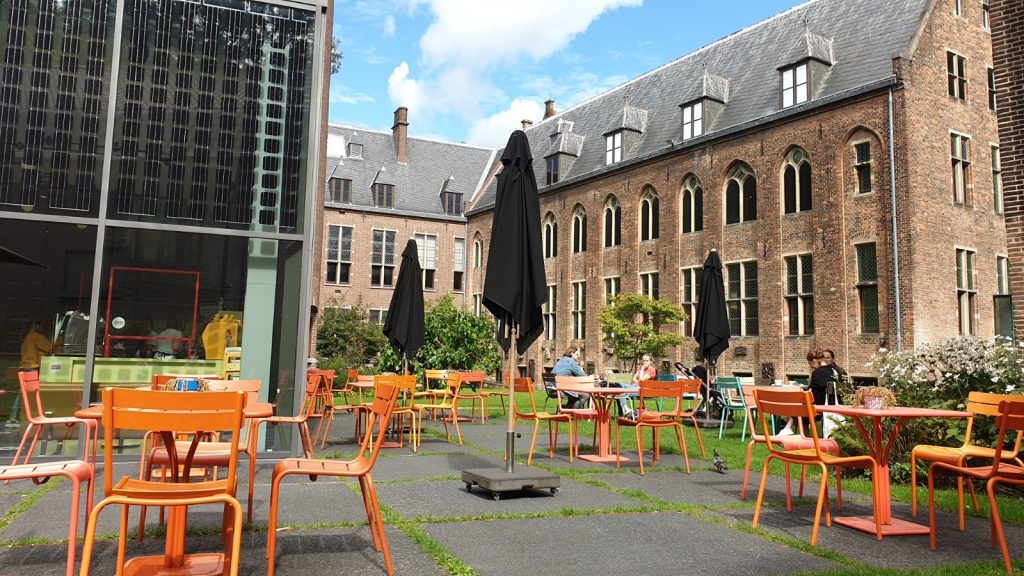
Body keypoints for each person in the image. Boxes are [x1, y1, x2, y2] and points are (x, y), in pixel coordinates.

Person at [778, 348, 828, 436]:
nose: (811, 366)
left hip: (819, 406)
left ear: (814, 360)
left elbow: (812, 392)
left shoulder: (817, 373)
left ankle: (787, 425)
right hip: (826, 403)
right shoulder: (831, 371)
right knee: (801, 408)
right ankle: (787, 425)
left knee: (799, 406)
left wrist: (806, 390)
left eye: (810, 363)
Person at [551, 345, 588, 410]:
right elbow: (583, 376)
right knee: (586, 395)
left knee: (574, 394)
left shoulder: (560, 360)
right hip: (561, 390)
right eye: (577, 354)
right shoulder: (571, 362)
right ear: (572, 354)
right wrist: (581, 367)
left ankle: (566, 408)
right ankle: (572, 411)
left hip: (552, 389)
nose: (578, 356)